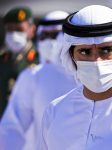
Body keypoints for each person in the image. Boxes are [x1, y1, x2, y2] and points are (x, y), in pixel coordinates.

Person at [38, 5, 112, 150]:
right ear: (72, 56)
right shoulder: (55, 112)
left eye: (106, 50)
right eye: (85, 52)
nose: (96, 61)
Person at [0, 11, 77, 150]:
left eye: (54, 35)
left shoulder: (90, 73)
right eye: (44, 36)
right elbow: (12, 127)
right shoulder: (33, 76)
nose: (48, 41)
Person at [0, 6, 39, 118]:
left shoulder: (39, 58)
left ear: (32, 30)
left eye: (19, 29)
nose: (13, 34)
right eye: (10, 30)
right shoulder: (3, 59)